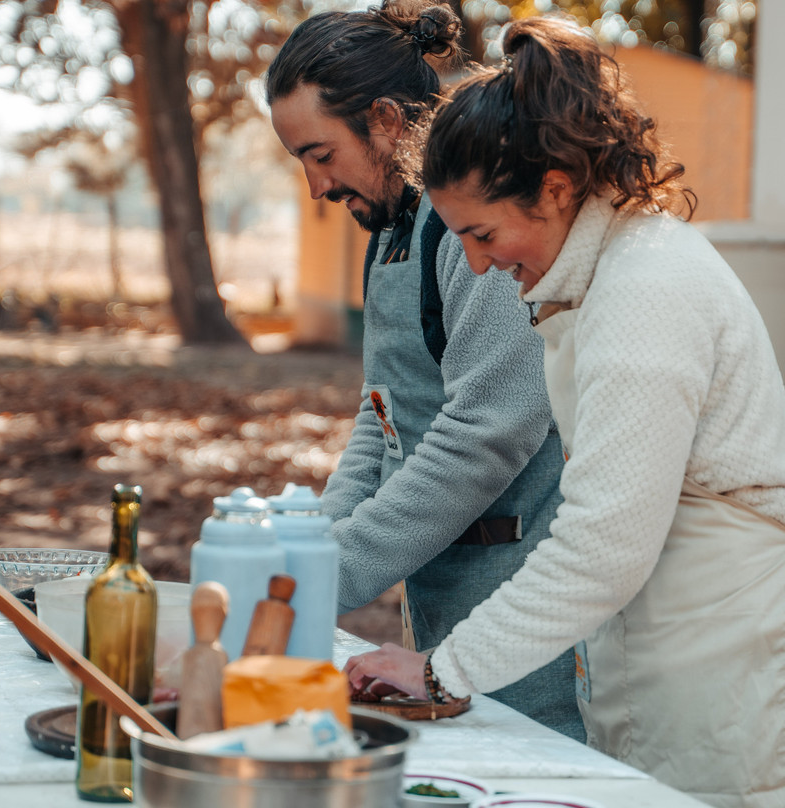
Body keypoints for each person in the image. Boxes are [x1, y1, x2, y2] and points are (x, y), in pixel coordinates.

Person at [344, 16, 785, 808]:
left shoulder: (643, 292)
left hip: (725, 653)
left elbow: (603, 545)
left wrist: (440, 668)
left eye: (483, 233)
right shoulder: (602, 271)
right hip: (671, 640)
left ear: (555, 190)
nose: (478, 264)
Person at [265, 1, 584, 740]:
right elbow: (382, 417)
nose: (317, 186)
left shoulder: (476, 232)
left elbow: (486, 433)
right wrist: (312, 548)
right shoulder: (391, 231)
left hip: (522, 593)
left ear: (383, 120)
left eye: (320, 154)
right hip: (443, 588)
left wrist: (327, 579)